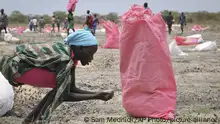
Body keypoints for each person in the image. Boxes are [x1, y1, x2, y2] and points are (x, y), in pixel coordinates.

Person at [0, 29, 114, 124]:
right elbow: (65, 95)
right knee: (59, 89)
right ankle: (34, 120)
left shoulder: (71, 58)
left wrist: (98, 94)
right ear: (79, 48)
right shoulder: (64, 58)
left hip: (16, 66)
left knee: (60, 87)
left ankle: (30, 120)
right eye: (90, 54)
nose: (91, 58)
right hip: (11, 66)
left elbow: (71, 88)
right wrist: (96, 96)